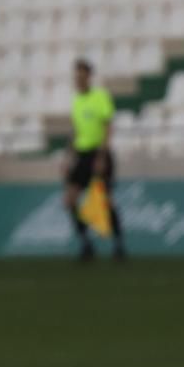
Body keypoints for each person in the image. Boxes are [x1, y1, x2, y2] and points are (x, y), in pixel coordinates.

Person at [64, 59, 126, 262]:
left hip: (98, 153)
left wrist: (102, 155)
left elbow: (107, 127)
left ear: (89, 76)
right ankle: (86, 243)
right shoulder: (76, 100)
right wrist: (68, 156)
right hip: (82, 154)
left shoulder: (100, 97)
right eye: (76, 75)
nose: (78, 79)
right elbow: (75, 130)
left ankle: (118, 244)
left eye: (82, 75)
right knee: (70, 199)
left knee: (105, 199)